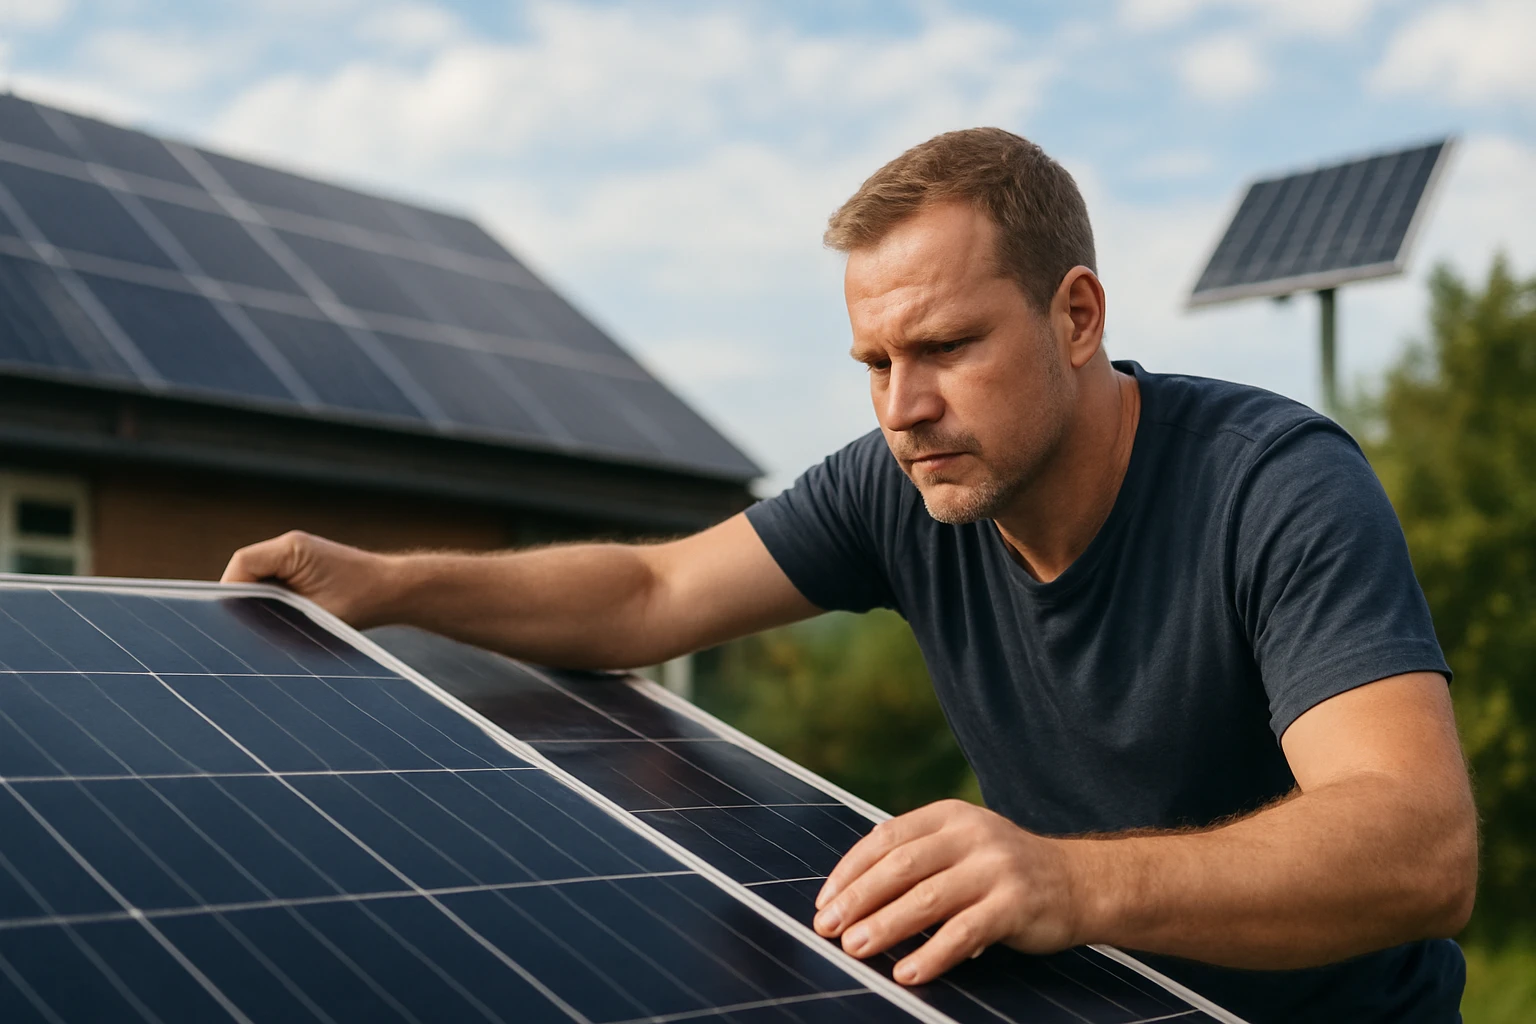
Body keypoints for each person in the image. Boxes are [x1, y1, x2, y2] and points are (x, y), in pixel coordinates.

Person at [223, 128, 1477, 1023]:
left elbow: (1420, 850)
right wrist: (388, 581)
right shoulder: (909, 478)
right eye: (873, 360)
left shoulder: (1276, 485)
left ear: (1078, 316)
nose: (902, 406)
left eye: (944, 345)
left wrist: (1069, 874)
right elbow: (654, 596)